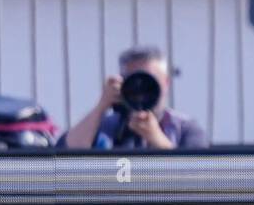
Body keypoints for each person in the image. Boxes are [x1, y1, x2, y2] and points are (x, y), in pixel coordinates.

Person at [60, 46, 209, 150]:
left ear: (166, 83)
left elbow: (198, 176)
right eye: (135, 81)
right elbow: (66, 154)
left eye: (150, 81)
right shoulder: (105, 126)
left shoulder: (185, 128)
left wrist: (157, 140)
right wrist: (101, 107)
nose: (141, 90)